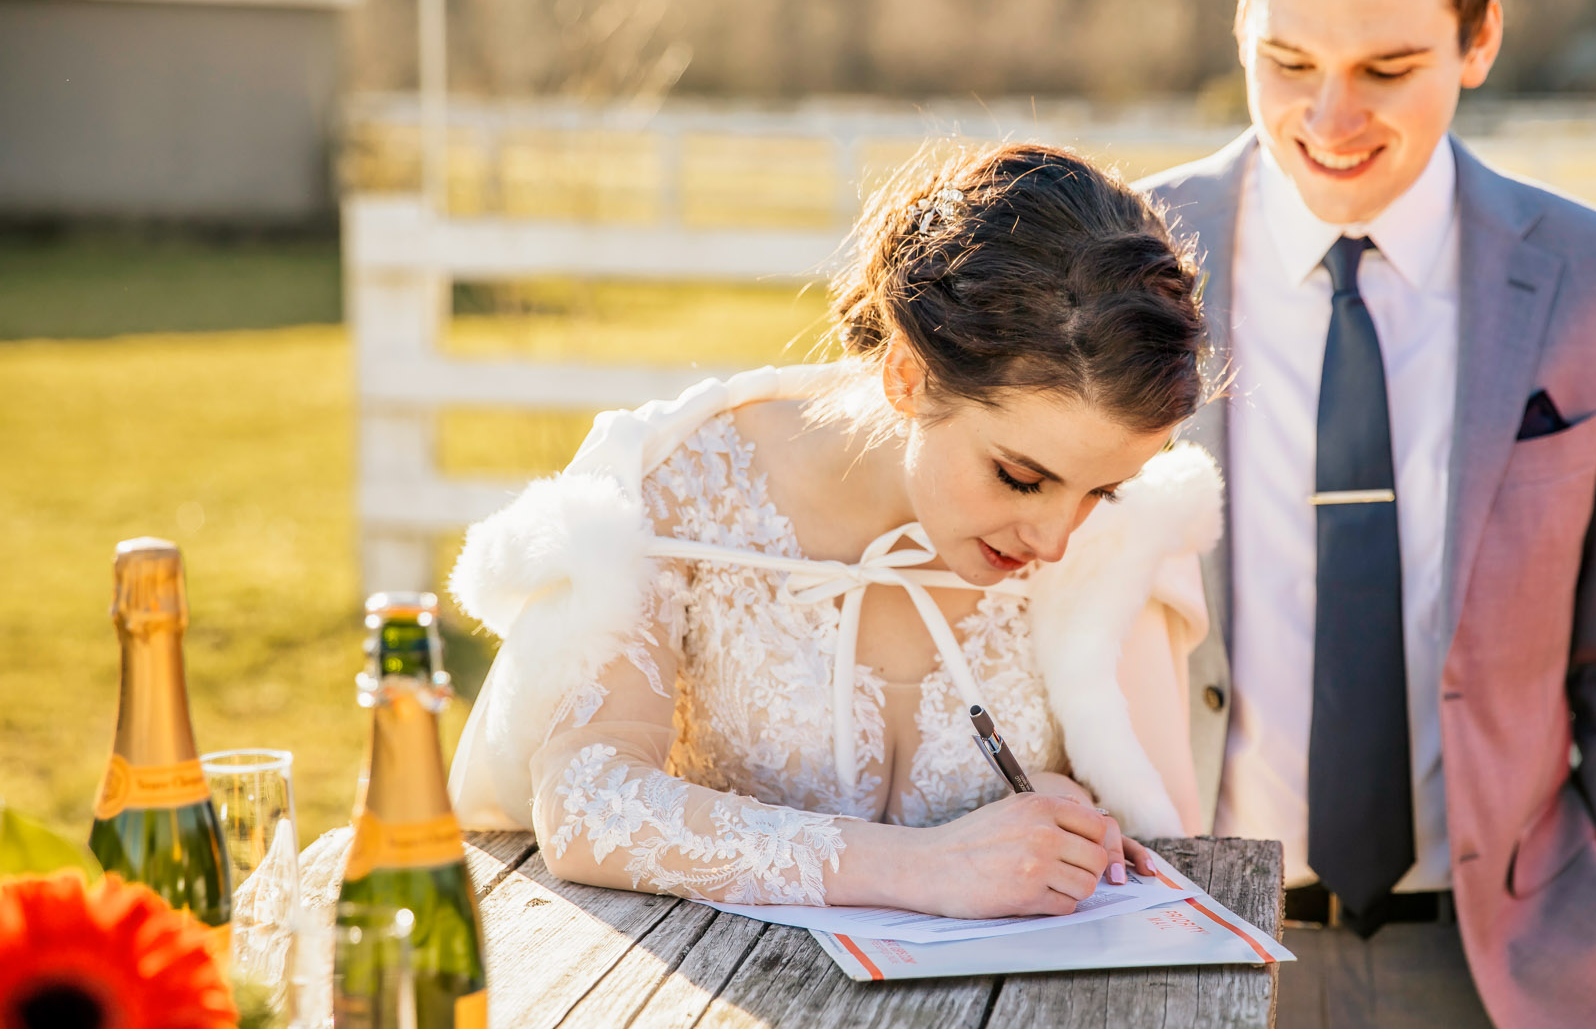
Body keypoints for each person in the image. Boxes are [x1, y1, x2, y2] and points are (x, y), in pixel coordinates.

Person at [1139, 0, 1596, 1029]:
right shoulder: (1123, 258)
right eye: (1286, 62)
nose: (1327, 120)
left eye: (1386, 68)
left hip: (1497, 1001)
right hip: (1178, 962)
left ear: (1481, 39)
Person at [445, 142, 1224, 919]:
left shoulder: (1115, 536)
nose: (1056, 539)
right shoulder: (683, 488)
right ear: (907, 377)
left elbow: (1153, 818)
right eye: (1021, 477)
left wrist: (1067, 810)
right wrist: (922, 867)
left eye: (1102, 490)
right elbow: (586, 803)